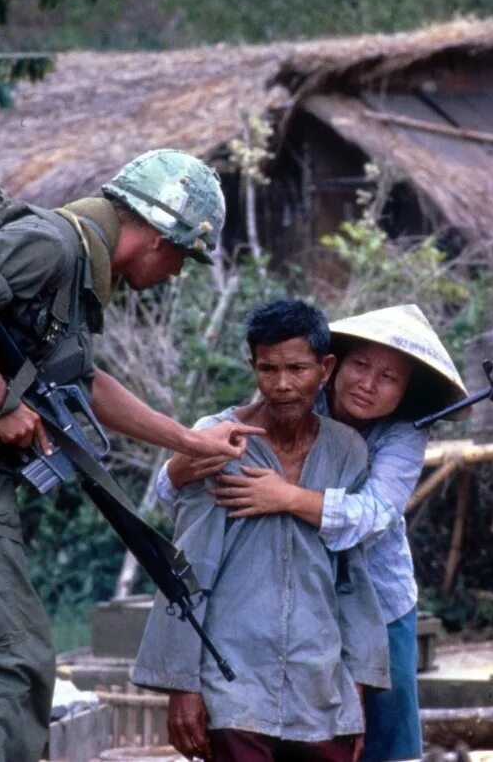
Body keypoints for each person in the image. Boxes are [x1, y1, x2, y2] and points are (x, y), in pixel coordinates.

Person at [0, 149, 262, 762]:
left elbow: (83, 381)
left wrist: (190, 440)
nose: (177, 272)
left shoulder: (73, 271)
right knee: (10, 675)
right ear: (157, 236)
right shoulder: (52, 243)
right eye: (183, 257)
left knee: (19, 673)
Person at [163, 303, 468, 761]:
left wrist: (286, 495)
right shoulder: (293, 396)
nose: (367, 383)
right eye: (361, 365)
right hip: (281, 608)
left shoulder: (403, 435)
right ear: (333, 366)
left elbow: (374, 514)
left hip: (377, 596)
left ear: (406, 392)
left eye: (388, 378)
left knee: (384, 736)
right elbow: (175, 494)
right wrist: (184, 461)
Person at [132, 299, 392, 762]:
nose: (283, 385)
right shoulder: (218, 439)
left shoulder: (347, 449)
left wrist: (355, 684)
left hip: (320, 685)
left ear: (325, 368)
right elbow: (188, 567)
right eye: (267, 369)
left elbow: (352, 575)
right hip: (233, 682)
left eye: (297, 368)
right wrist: (182, 686)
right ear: (252, 366)